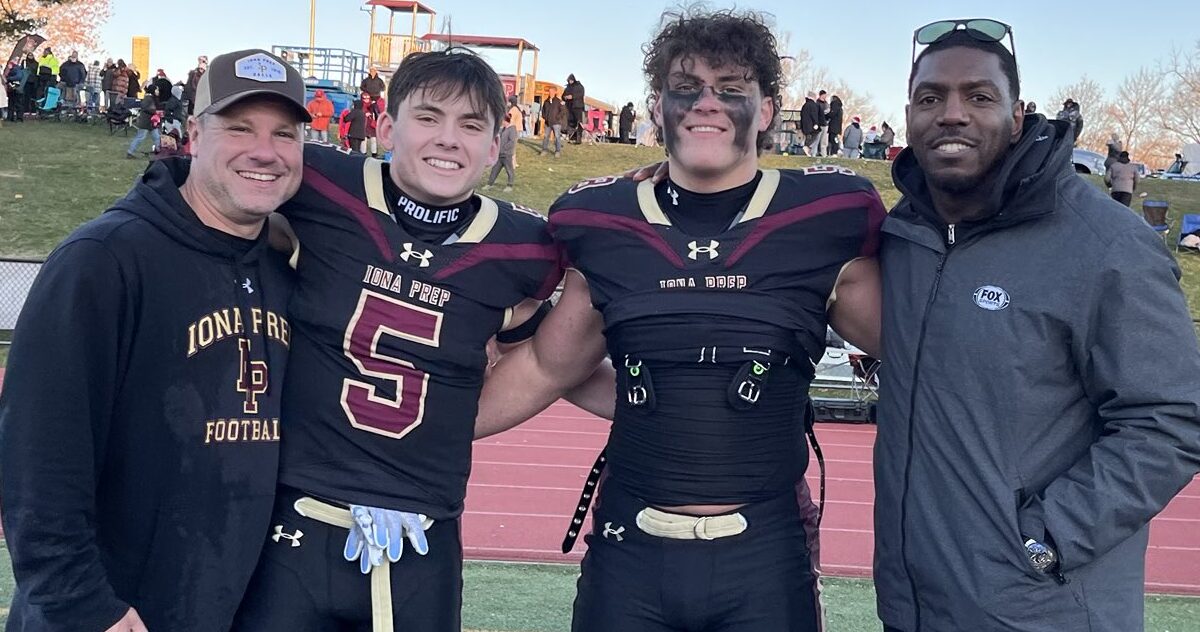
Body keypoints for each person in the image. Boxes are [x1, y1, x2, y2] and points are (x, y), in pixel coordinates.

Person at [476, 8, 885, 631]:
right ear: (658, 103)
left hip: (766, 551)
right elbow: (548, 367)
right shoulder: (602, 220)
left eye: (730, 89)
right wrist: (423, 432)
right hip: (630, 546)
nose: (706, 104)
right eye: (686, 87)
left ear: (769, 109)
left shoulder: (829, 215)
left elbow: (927, 346)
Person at [876, 20, 1200, 632]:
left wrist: (1045, 539)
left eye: (978, 96)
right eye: (930, 98)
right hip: (913, 606)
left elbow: (1169, 420)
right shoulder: (902, 235)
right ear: (909, 116)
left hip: (1043, 610)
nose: (951, 114)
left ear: (1018, 115)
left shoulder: (1105, 242)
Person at [231, 48, 564, 632]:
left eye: (471, 125)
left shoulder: (523, 247)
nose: (448, 139)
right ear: (386, 127)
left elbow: (547, 343)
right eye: (428, 117)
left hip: (423, 522)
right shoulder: (325, 187)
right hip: (295, 506)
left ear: (494, 146)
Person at [0, 48, 307, 632]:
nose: (264, 151)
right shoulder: (103, 260)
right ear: (193, 133)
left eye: (284, 134)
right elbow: (38, 457)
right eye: (239, 128)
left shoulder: (285, 271)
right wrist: (87, 609)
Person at [485, 112, 518, 191]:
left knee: (509, 170)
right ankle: (490, 184)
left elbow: (512, 142)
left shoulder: (512, 129)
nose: (501, 122)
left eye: (502, 120)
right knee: (495, 169)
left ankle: (509, 186)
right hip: (499, 154)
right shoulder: (502, 129)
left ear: (505, 120)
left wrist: (503, 148)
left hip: (507, 154)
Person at [540, 87, 566, 156]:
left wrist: (557, 117)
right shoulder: (546, 101)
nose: (550, 93)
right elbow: (543, 111)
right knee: (546, 137)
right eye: (549, 91)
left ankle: (557, 151)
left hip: (556, 123)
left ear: (555, 92)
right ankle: (544, 150)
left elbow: (563, 111)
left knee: (557, 137)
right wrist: (545, 117)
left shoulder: (558, 101)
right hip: (547, 123)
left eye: (552, 91)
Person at [563, 73, 585, 143]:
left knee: (578, 122)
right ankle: (571, 137)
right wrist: (565, 97)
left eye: (571, 80)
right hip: (569, 107)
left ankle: (578, 139)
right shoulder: (567, 88)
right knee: (570, 122)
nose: (570, 82)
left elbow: (581, 94)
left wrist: (573, 96)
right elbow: (563, 95)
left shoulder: (579, 86)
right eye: (569, 80)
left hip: (578, 107)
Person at [800, 90, 820, 155]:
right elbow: (814, 115)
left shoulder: (805, 105)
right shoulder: (813, 105)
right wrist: (816, 123)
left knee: (808, 136)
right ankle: (807, 146)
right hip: (811, 125)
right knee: (815, 134)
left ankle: (807, 148)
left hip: (804, 125)